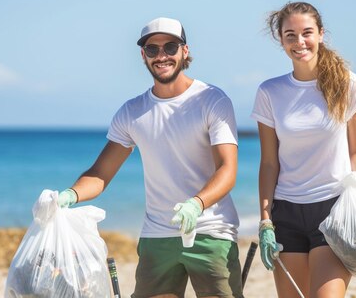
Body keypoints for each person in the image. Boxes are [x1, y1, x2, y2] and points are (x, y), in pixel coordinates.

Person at [58, 17, 243, 298]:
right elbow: (100, 174)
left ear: (185, 51)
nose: (162, 56)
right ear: (143, 55)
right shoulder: (132, 112)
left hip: (211, 231)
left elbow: (227, 170)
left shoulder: (212, 100)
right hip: (158, 236)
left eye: (170, 47)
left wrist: (196, 204)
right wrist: (69, 196)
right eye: (152, 49)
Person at [251, 2, 356, 298]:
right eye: (290, 35)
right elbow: (269, 163)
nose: (300, 42)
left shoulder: (347, 84)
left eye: (306, 33)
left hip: (333, 210)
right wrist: (265, 220)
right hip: (286, 215)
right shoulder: (269, 92)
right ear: (281, 40)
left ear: (321, 34)